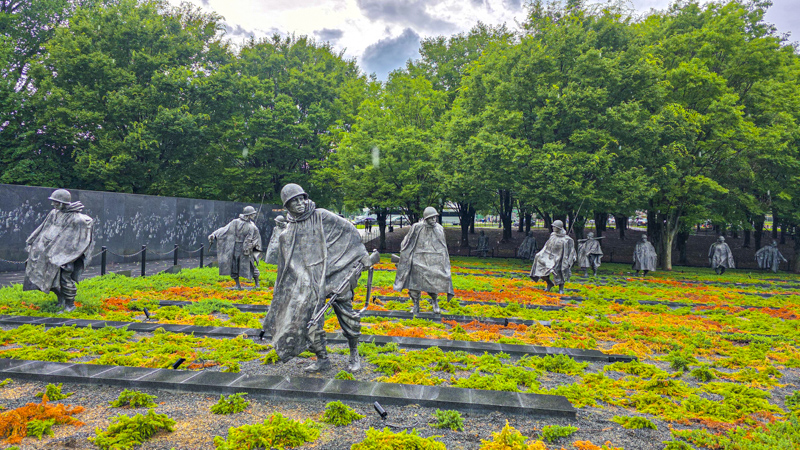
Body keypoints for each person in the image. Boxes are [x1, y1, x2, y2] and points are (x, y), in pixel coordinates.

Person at [262, 184, 375, 372]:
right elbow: (285, 268)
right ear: (286, 206)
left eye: (301, 198)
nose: (299, 203)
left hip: (335, 277)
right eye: (294, 201)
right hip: (310, 284)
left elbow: (350, 232)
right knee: (310, 322)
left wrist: (354, 260)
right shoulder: (287, 232)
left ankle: (354, 354)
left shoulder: (321, 215)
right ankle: (322, 358)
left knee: (348, 318)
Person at [23, 189, 94, 312]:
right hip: (48, 251)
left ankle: (70, 304)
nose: (53, 204)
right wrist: (31, 242)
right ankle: (61, 299)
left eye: (56, 202)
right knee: (48, 277)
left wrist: (68, 256)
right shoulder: (54, 213)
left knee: (64, 279)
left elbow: (80, 241)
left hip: (65, 255)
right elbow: (43, 228)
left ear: (63, 202)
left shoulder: (78, 219)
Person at [394, 207, 454, 316]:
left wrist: (443, 261)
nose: (434, 219)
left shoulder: (439, 229)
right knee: (414, 284)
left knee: (433, 282)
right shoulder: (417, 227)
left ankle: (435, 302)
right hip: (417, 260)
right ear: (426, 218)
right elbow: (407, 241)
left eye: (435, 217)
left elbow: (443, 247)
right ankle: (416, 304)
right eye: (431, 218)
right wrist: (405, 254)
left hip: (433, 261)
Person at [208, 206, 262, 289]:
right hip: (236, 247)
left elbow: (256, 238)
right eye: (253, 214)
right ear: (248, 214)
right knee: (234, 265)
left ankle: (257, 284)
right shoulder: (235, 222)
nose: (254, 215)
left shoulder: (252, 226)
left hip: (247, 249)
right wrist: (214, 234)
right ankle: (237, 285)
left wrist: (253, 245)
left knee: (251, 265)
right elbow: (224, 229)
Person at [529, 220, 576, 294]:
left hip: (559, 258)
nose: (553, 227)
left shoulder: (567, 240)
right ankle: (549, 283)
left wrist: (569, 260)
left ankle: (561, 289)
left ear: (559, 228)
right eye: (553, 226)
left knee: (560, 271)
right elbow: (546, 246)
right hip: (548, 256)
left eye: (555, 226)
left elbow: (571, 252)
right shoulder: (552, 235)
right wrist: (540, 254)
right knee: (540, 268)